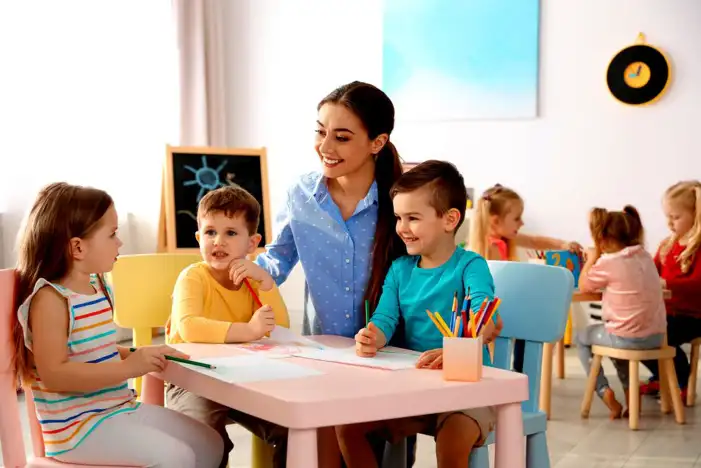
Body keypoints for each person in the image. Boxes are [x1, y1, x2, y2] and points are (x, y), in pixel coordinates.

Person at [254, 81, 411, 465]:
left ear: (377, 142)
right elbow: (278, 259)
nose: (325, 147)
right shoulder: (300, 195)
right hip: (319, 357)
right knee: (299, 452)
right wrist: (233, 273)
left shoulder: (401, 201)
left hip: (386, 359)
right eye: (320, 132)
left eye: (341, 137)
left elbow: (429, 268)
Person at [12, 182, 223, 467]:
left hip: (116, 410)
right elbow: (55, 375)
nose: (119, 242)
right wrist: (129, 367)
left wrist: (142, 354)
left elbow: (96, 352)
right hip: (77, 431)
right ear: (77, 247)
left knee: (210, 443)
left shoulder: (97, 287)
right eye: (112, 234)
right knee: (177, 457)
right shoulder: (50, 299)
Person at [336, 161, 500, 468]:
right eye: (399, 217)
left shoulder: (471, 266)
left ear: (450, 219)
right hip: (414, 389)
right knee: (346, 427)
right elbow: (385, 319)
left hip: (468, 390)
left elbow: (483, 316)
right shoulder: (400, 270)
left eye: (412, 218)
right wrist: (373, 335)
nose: (401, 228)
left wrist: (460, 346)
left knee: (452, 445)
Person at [165, 185, 290, 467]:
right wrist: (249, 330)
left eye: (230, 233)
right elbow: (189, 328)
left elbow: (281, 329)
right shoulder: (193, 277)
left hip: (245, 378)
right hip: (192, 379)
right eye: (210, 232)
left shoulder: (253, 280)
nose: (218, 241)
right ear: (198, 237)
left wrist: (266, 283)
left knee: (291, 426)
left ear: (251, 243)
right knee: (202, 436)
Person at [468, 184, 582, 372]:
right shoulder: (490, 250)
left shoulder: (502, 241)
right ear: (496, 221)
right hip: (494, 317)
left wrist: (564, 244)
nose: (521, 223)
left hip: (504, 312)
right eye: (517, 218)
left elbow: (535, 241)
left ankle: (520, 372)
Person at [576, 206, 666, 418]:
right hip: (657, 336)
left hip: (626, 337)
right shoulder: (645, 256)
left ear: (603, 238)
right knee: (617, 338)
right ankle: (632, 400)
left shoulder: (609, 262)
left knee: (582, 338)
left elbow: (584, 286)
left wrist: (591, 257)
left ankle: (602, 390)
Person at [641, 180, 701, 400]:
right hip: (666, 312)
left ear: (696, 214)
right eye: (667, 216)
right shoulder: (668, 244)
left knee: (656, 333)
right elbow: (652, 272)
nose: (669, 223)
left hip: (693, 316)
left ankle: (679, 380)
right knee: (631, 331)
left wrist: (666, 284)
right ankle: (663, 375)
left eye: (675, 217)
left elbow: (697, 285)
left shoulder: (698, 245)